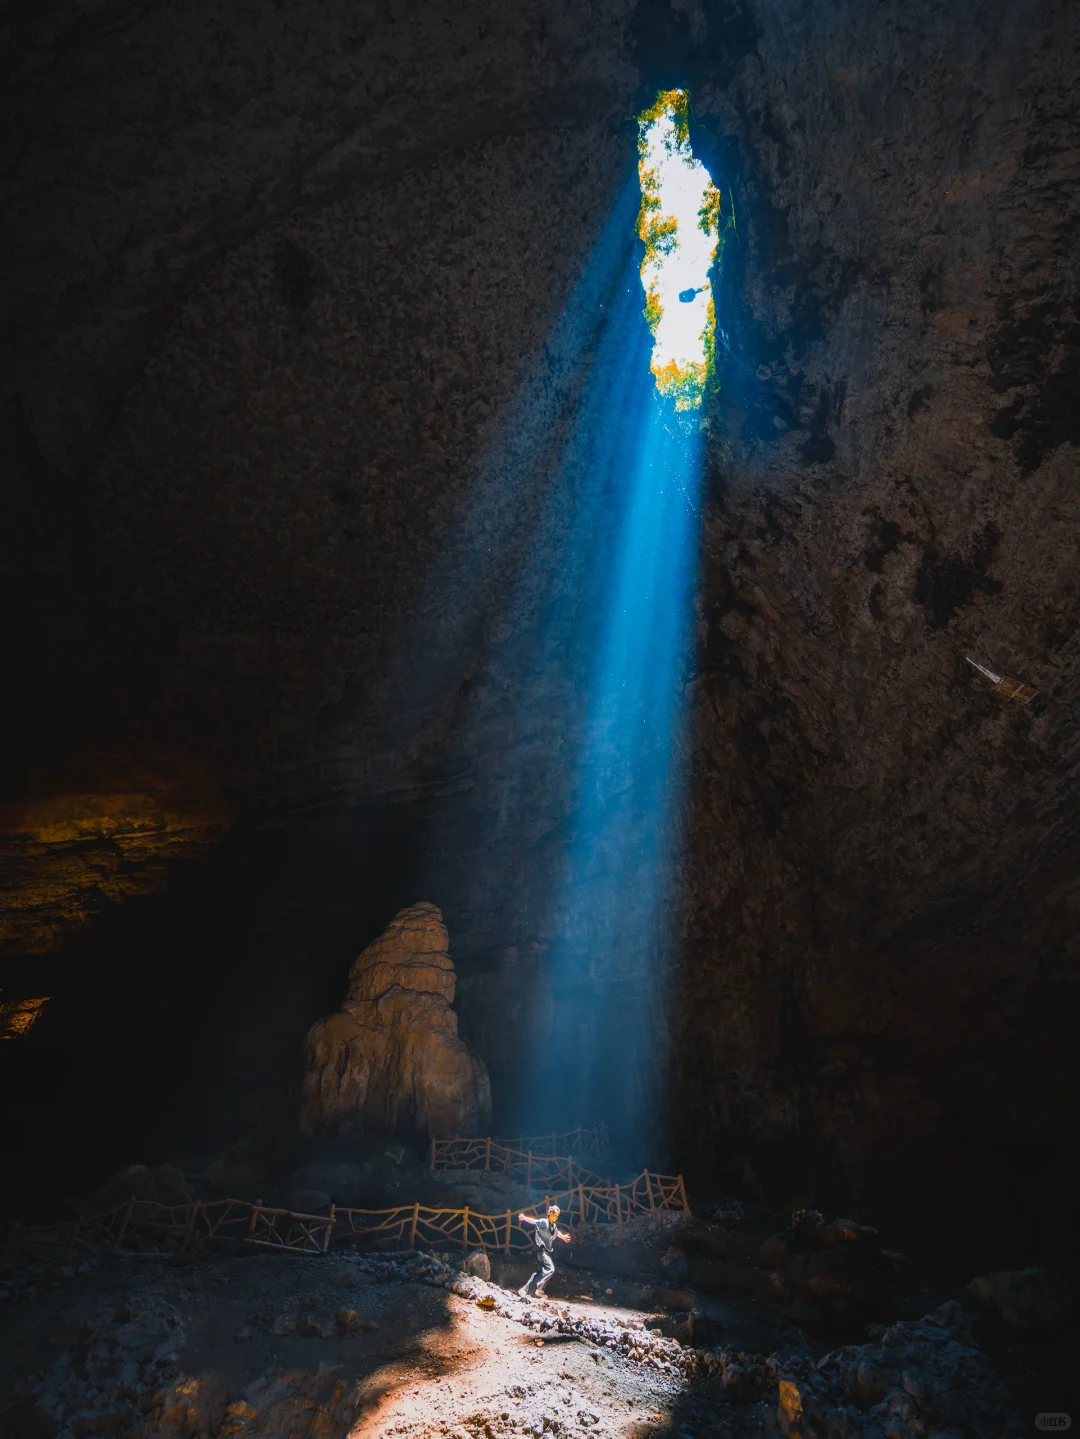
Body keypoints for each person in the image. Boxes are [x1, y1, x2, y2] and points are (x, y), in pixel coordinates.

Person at [517, 1203, 571, 1298]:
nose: (556, 1218)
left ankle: (524, 1290)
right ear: (550, 1213)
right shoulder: (543, 1222)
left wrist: (563, 1237)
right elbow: (534, 1221)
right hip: (542, 1252)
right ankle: (538, 1289)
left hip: (545, 1252)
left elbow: (557, 1233)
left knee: (539, 1273)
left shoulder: (553, 1226)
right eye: (555, 1215)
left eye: (557, 1216)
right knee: (550, 1269)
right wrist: (524, 1218)